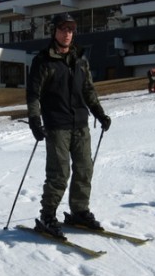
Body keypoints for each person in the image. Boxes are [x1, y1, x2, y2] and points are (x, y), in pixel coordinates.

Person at [26, 13, 111, 238]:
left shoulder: (80, 60)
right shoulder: (43, 61)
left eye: (71, 30)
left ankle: (79, 211)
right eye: (63, 29)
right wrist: (35, 121)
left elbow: (88, 90)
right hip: (57, 126)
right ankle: (48, 215)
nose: (67, 34)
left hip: (80, 124)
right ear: (54, 31)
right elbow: (33, 95)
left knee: (85, 169)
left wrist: (100, 114)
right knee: (59, 173)